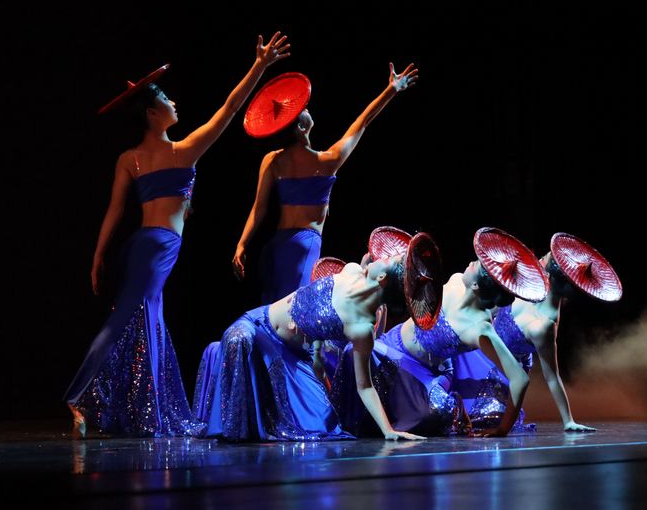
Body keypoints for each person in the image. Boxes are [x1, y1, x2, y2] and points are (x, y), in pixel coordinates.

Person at [65, 32, 291, 437]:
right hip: (158, 246)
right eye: (167, 99)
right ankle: (81, 395)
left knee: (143, 318)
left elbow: (115, 211)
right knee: (133, 318)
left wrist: (99, 255)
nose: (174, 102)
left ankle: (131, 406)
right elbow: (230, 108)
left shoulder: (130, 158)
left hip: (142, 244)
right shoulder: (183, 151)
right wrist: (259, 66)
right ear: (153, 114)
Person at [193, 233, 442, 441]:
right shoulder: (352, 270)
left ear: (381, 278)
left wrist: (388, 430)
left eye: (387, 260)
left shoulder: (361, 328)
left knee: (321, 424)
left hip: (291, 356)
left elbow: (365, 386)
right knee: (237, 338)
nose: (381, 256)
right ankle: (233, 427)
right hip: (258, 326)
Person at [331, 228, 549, 437]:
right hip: (392, 345)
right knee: (352, 353)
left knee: (430, 415)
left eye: (477, 265)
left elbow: (520, 379)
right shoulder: (456, 280)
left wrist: (502, 430)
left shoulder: (479, 328)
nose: (472, 262)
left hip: (420, 374)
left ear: (476, 285)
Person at [231, 63, 419, 303]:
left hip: (277, 246)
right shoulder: (328, 161)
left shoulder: (272, 160)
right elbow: (363, 121)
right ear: (301, 127)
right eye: (302, 110)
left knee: (273, 308)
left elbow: (259, 208)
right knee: (293, 309)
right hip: (304, 246)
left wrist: (241, 244)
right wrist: (391, 90)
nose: (306, 107)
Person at [452, 233, 622, 433]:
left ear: (551, 275)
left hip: (501, 373)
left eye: (545, 258)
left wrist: (568, 420)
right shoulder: (524, 286)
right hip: (477, 350)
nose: (539, 259)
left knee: (474, 415)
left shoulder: (543, 326)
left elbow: (552, 376)